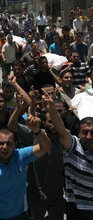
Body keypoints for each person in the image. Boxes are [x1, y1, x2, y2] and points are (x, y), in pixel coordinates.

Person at [44, 90, 93, 220]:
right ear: (79, 132)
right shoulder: (73, 146)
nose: (88, 137)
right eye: (85, 132)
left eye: (92, 133)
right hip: (76, 207)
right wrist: (53, 110)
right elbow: (60, 129)